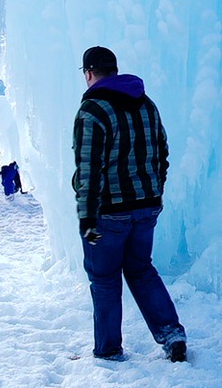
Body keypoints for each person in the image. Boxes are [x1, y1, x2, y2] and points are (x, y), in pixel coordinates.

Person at [73, 46, 187, 362]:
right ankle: (172, 334)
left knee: (105, 278)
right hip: (147, 205)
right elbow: (162, 152)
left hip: (110, 211)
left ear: (89, 73)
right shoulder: (147, 105)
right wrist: (154, 190)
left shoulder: (93, 111)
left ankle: (108, 349)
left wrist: (87, 216)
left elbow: (88, 168)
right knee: (140, 269)